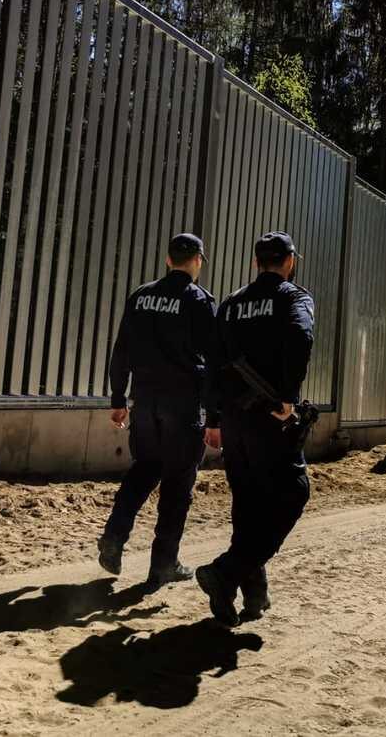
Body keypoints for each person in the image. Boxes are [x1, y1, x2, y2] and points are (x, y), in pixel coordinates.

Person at [196, 232, 315, 627]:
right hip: (271, 418)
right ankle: (225, 573)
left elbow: (212, 360)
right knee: (292, 494)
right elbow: (301, 336)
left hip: (232, 420)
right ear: (289, 262)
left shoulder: (231, 303)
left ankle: (250, 597)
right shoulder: (294, 297)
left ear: (255, 262)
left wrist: (212, 418)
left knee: (248, 506)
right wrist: (287, 396)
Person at [97, 233, 217, 589]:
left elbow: (121, 351)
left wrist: (118, 399)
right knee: (178, 485)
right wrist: (214, 416)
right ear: (197, 261)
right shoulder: (199, 300)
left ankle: (114, 536)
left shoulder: (141, 296)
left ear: (168, 260)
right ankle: (163, 563)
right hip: (182, 406)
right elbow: (213, 363)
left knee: (144, 470)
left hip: (145, 403)